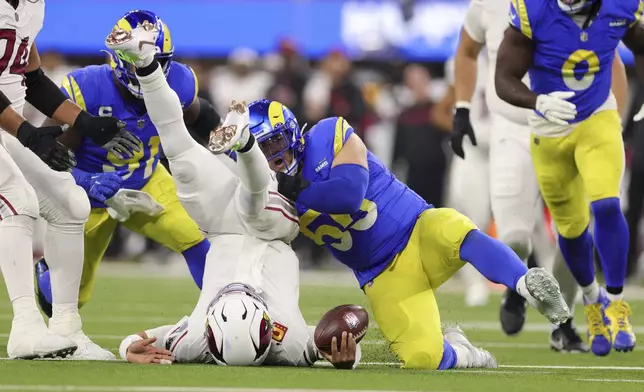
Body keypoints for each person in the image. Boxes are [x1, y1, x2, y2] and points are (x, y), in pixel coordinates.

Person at [105, 22, 358, 369]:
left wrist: (127, 348)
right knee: (254, 202)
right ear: (270, 328)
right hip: (271, 230)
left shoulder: (194, 339)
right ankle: (245, 143)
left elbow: (138, 340)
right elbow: (330, 346)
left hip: (219, 226)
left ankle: (146, 64)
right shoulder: (292, 342)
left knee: (178, 149)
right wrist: (346, 357)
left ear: (211, 331)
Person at [450, 0, 630, 352]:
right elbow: (468, 51)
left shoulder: (574, 8)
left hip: (570, 124)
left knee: (574, 228)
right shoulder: (491, 5)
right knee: (515, 237)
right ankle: (518, 287)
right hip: (514, 126)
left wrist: (613, 126)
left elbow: (612, 61)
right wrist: (462, 107)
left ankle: (565, 323)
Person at [34, 10, 216, 316]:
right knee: (65, 295)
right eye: (137, 59)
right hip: (91, 192)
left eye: (157, 61)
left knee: (198, 240)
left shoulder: (179, 83)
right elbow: (44, 154)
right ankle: (46, 275)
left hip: (146, 179)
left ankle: (223, 313)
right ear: (118, 57)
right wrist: (84, 181)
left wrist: (233, 144)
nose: (148, 68)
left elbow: (200, 114)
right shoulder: (87, 88)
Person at [0, 0, 140, 360]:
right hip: (11, 128)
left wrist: (86, 122)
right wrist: (29, 134)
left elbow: (31, 79)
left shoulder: (31, 5)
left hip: (8, 128)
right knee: (19, 199)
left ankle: (66, 328)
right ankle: (26, 327)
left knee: (70, 205)